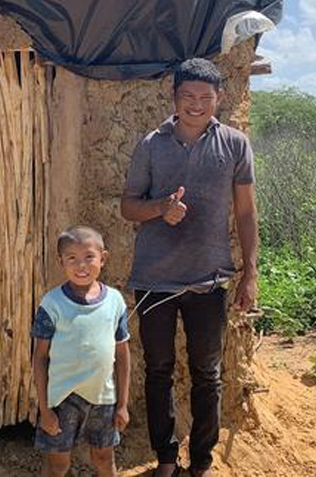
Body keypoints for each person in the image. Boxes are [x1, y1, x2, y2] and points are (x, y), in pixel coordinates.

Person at [120, 58, 259, 477]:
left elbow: (246, 213)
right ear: (173, 97)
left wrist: (249, 272)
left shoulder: (234, 144)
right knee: (158, 370)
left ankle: (201, 462)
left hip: (209, 279)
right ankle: (165, 459)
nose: (196, 105)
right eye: (188, 96)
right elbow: (128, 206)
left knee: (207, 374)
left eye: (205, 97)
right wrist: (161, 208)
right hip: (154, 281)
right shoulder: (151, 144)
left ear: (219, 98)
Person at [32, 226, 131, 477]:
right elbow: (40, 358)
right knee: (58, 464)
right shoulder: (52, 304)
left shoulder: (115, 302)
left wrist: (122, 404)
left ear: (103, 258)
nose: (81, 265)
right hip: (62, 400)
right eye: (72, 258)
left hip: (103, 398)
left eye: (89, 257)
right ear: (61, 262)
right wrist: (44, 409)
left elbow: (122, 355)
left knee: (104, 458)